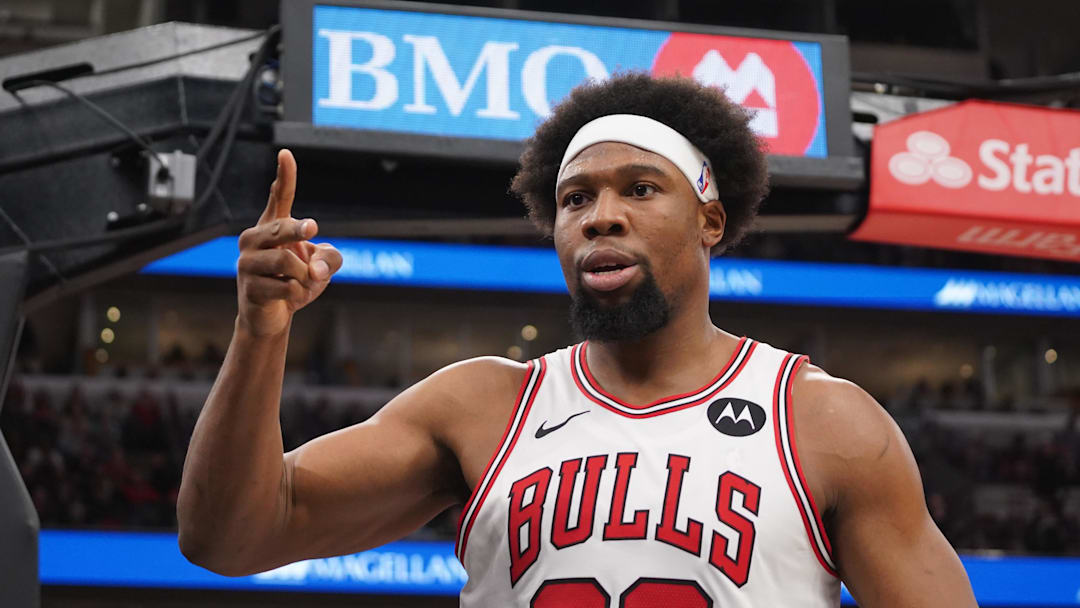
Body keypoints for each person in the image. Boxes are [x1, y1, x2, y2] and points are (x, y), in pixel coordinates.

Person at [177, 73, 977, 607]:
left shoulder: (825, 422)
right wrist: (259, 334)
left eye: (639, 189)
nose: (599, 215)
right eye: (574, 198)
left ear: (711, 219)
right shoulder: (482, 404)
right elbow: (229, 535)